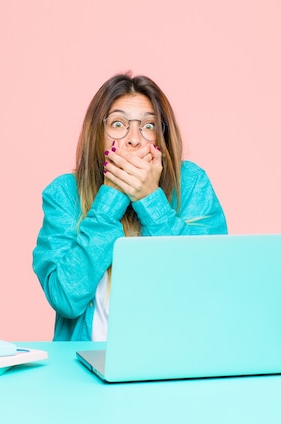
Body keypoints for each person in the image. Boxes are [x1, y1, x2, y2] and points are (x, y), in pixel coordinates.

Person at [32, 73, 228, 341]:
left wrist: (150, 200)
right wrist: (110, 197)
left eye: (148, 126)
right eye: (118, 123)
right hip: (87, 369)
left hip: (173, 362)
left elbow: (209, 284)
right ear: (97, 135)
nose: (134, 139)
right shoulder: (65, 194)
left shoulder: (192, 183)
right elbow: (65, 297)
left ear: (162, 137)